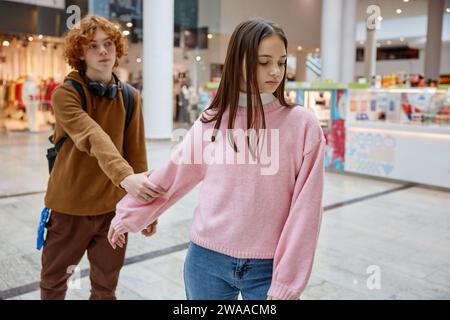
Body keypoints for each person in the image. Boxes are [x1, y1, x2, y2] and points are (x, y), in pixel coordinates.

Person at [109, 18, 325, 300]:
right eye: (263, 62)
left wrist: (287, 283)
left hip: (268, 268)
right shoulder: (212, 120)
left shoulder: (303, 125)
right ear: (240, 62)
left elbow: (306, 211)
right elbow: (174, 175)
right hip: (205, 260)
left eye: (282, 62)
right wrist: (130, 214)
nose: (275, 71)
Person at [40, 15, 163, 300]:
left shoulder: (130, 96)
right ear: (80, 54)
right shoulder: (65, 94)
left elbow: (137, 155)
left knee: (106, 289)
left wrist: (147, 208)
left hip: (112, 211)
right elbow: (93, 135)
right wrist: (123, 176)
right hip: (69, 208)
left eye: (108, 44)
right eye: (93, 46)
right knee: (54, 284)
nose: (103, 51)